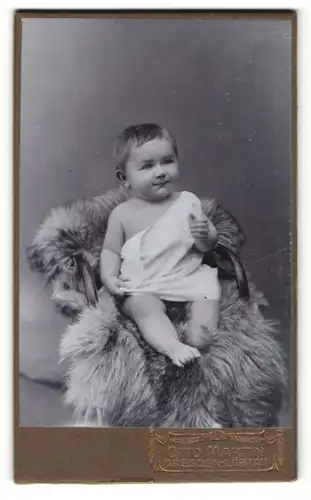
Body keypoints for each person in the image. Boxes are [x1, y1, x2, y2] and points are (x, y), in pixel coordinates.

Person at [100, 123, 221, 368]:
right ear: (125, 178)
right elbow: (110, 251)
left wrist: (205, 234)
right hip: (145, 283)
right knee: (143, 307)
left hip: (185, 275)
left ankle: (201, 333)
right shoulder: (122, 214)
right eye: (147, 166)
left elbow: (207, 246)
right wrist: (109, 277)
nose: (160, 172)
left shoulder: (187, 202)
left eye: (167, 161)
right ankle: (172, 345)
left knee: (207, 293)